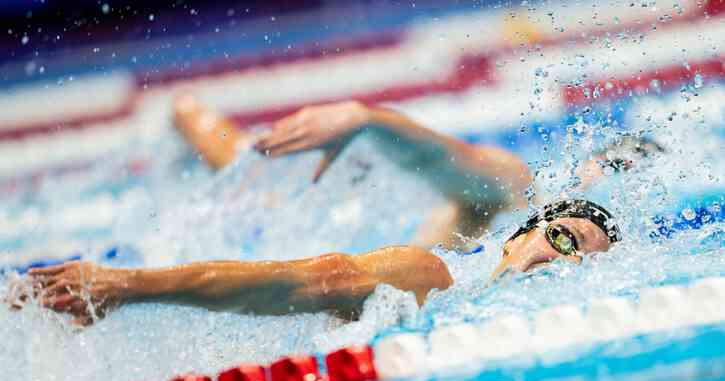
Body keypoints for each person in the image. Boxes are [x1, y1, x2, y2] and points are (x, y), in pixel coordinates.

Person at [28, 199, 620, 326]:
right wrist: (126, 285)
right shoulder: (429, 275)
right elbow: (300, 282)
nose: (562, 264)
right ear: (513, 239)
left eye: (583, 262)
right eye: (563, 239)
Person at [174, 95, 532, 249]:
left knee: (256, 179)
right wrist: (364, 118)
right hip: (328, 209)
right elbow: (437, 156)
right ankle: (185, 109)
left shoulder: (509, 207)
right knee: (244, 162)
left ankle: (184, 110)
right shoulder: (512, 182)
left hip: (332, 221)